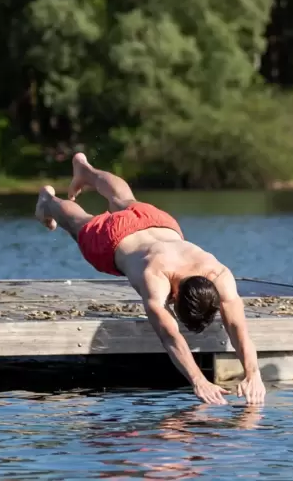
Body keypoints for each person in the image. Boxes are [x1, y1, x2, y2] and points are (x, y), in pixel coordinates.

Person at [34, 153, 265, 405]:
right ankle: (47, 200)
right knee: (79, 223)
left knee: (124, 199)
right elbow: (171, 337)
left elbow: (237, 329)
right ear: (174, 297)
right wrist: (199, 380)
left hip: (160, 224)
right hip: (113, 240)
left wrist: (253, 374)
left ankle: (86, 170)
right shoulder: (158, 279)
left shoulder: (217, 274)